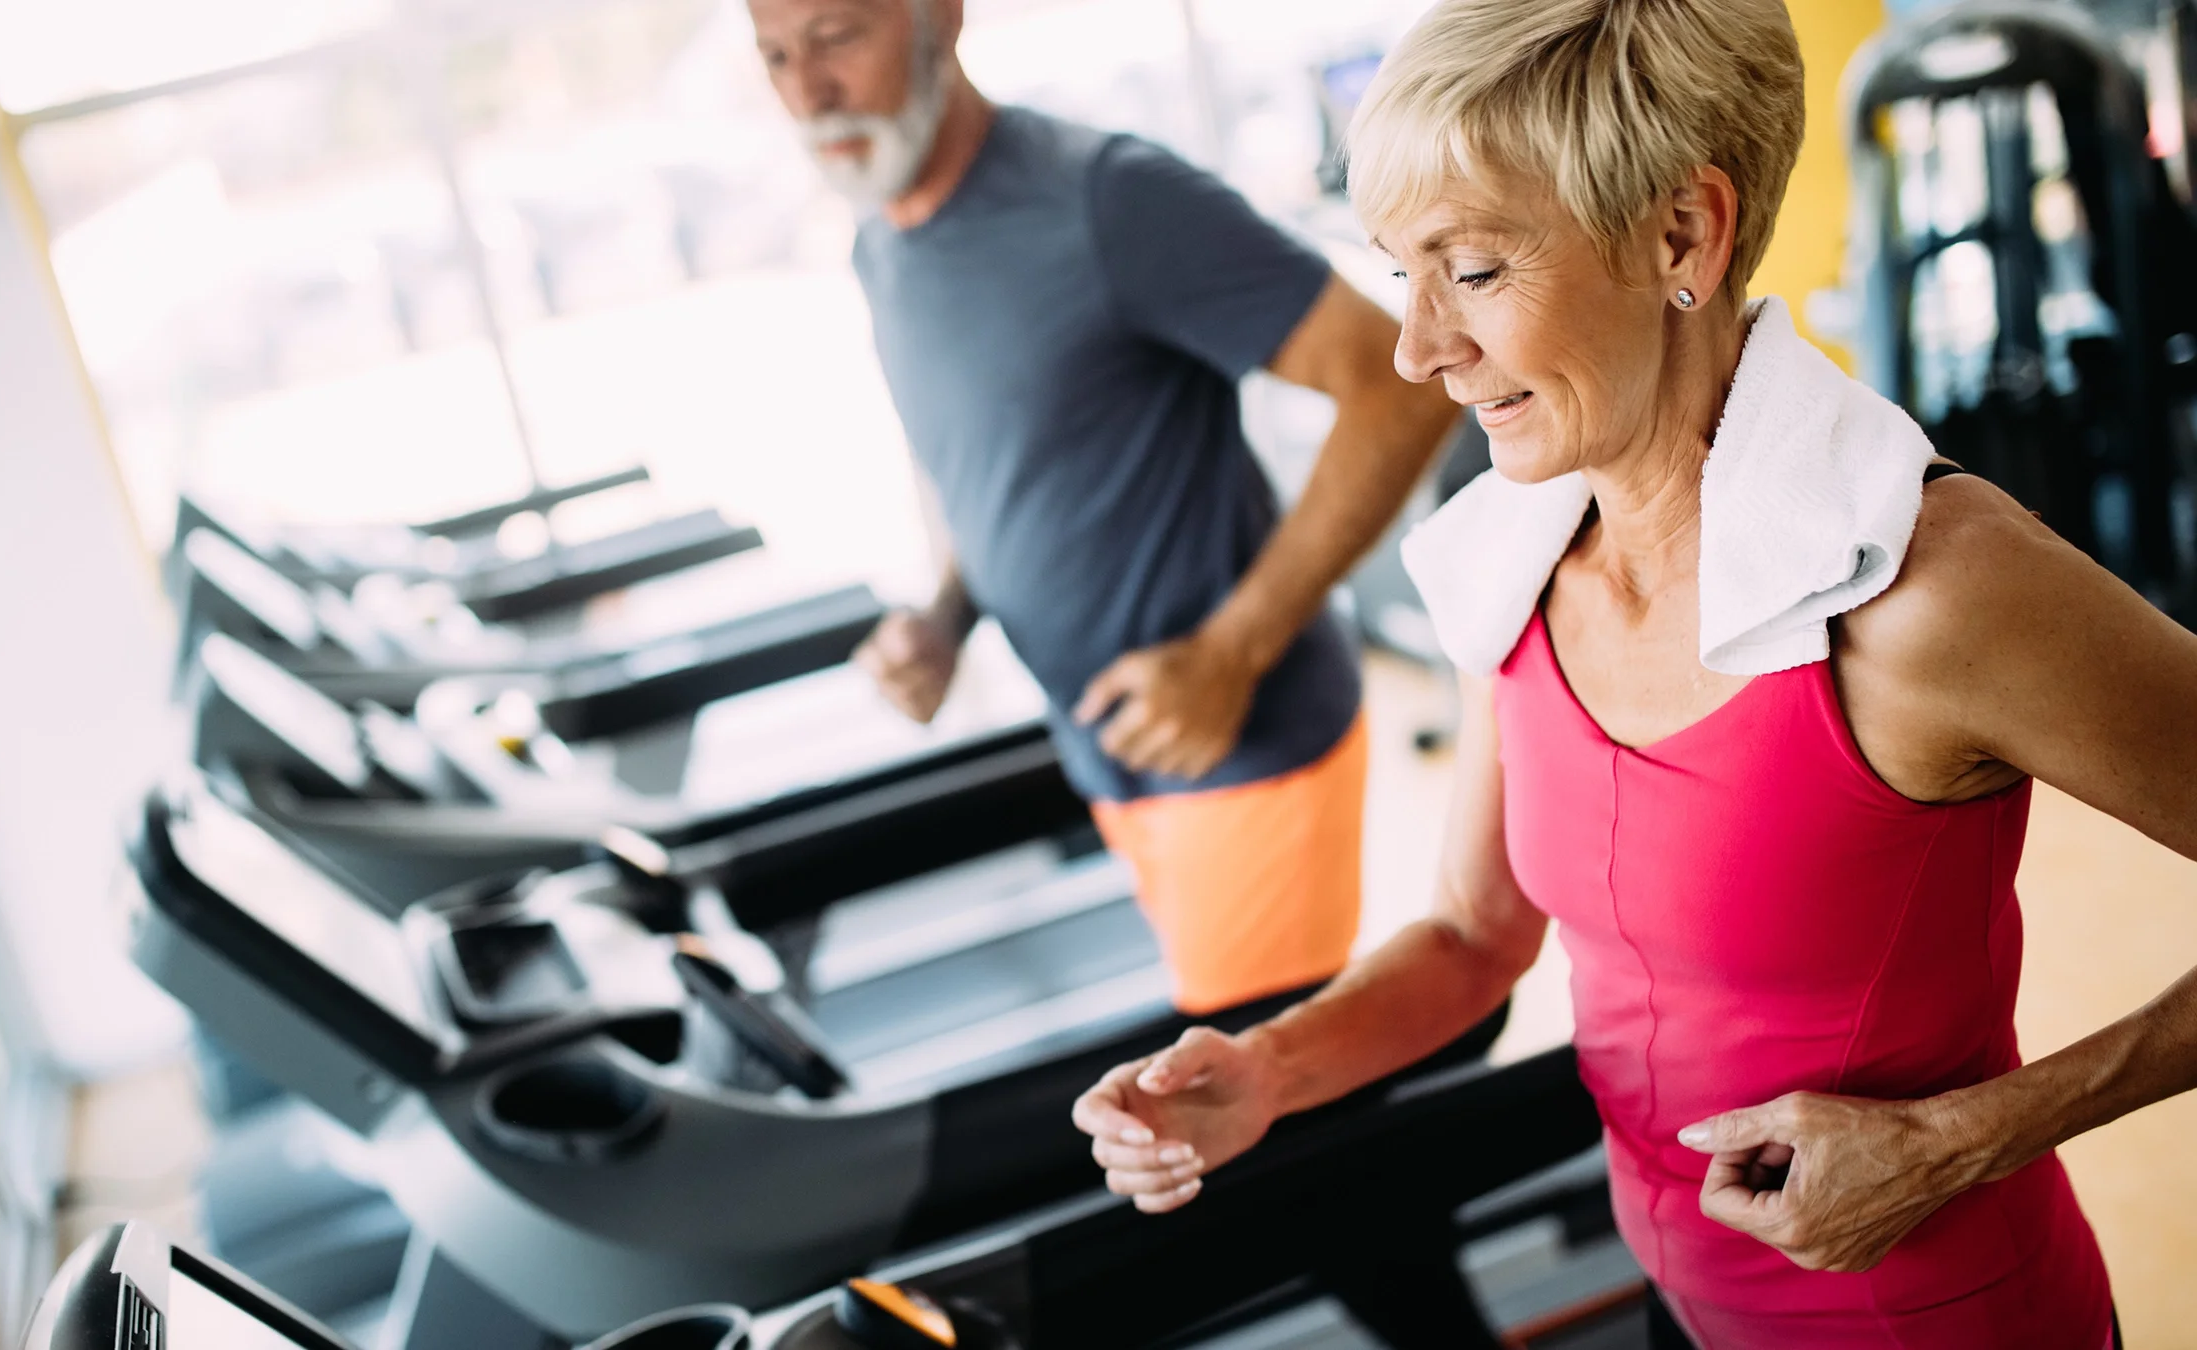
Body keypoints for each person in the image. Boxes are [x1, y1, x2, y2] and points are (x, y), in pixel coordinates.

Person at [1073, 0, 2197, 1345]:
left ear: (1683, 234)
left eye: (1473, 271)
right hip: (1688, 1300)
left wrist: (1964, 1141)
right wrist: (1266, 1070)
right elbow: (1476, 934)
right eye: (1403, 277)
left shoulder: (1925, 590)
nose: (1416, 351)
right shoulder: (1523, 552)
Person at [746, 0, 1461, 1014]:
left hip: (1240, 748)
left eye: (835, 40)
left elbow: (1399, 387)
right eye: (775, 56)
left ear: (938, 20)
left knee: (1263, 1124)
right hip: (1106, 754)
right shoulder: (883, 243)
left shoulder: (1107, 199)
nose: (807, 93)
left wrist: (1231, 652)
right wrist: (946, 623)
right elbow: (996, 468)